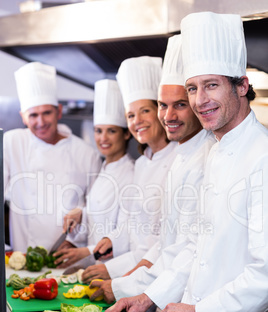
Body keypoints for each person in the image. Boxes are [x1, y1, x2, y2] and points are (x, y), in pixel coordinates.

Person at [105, 12, 268, 312]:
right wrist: (150, 296)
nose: (199, 101)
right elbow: (195, 246)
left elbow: (265, 273)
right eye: (193, 88)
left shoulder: (262, 155)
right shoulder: (215, 151)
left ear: (242, 86)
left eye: (211, 86)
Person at [89, 34, 215, 304]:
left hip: (177, 298)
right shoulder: (165, 158)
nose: (168, 116)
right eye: (162, 105)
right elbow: (162, 240)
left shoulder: (205, 157)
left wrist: (126, 284)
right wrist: (124, 279)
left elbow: (185, 250)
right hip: (154, 288)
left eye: (180, 104)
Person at [82, 56, 178, 282]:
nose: (137, 121)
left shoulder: (178, 159)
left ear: (161, 111)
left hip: (157, 276)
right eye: (131, 115)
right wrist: (112, 241)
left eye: (145, 111)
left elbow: (164, 240)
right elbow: (131, 222)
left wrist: (114, 271)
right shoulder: (143, 163)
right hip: (134, 274)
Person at [3, 61, 102, 253]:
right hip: (22, 256)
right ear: (23, 117)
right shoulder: (12, 143)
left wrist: (77, 242)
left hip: (69, 255)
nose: (41, 122)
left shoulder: (86, 153)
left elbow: (97, 207)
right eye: (33, 115)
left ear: (59, 111)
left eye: (47, 112)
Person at [53, 79, 134, 268]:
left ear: (126, 134)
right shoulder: (104, 168)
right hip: (94, 267)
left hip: (114, 269)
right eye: (98, 131)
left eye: (111, 131)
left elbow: (126, 234)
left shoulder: (130, 174)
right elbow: (100, 217)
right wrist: (81, 213)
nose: (102, 138)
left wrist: (87, 252)